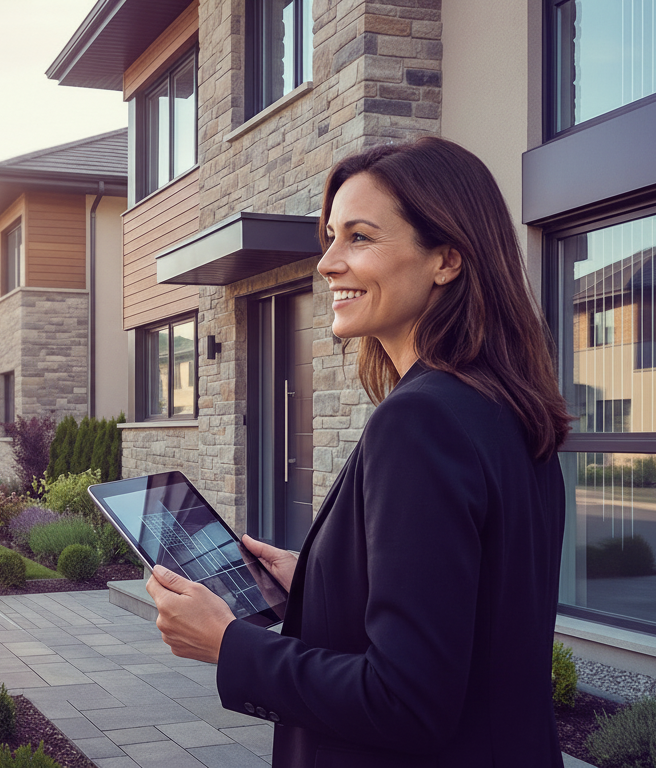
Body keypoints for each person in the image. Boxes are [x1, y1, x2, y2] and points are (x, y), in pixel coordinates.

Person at [145, 136, 573, 768]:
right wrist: (318, 584)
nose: (326, 263)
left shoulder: (421, 419)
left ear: (447, 259)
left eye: (360, 237)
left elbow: (406, 700)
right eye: (329, 236)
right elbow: (477, 620)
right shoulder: (506, 407)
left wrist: (230, 644)